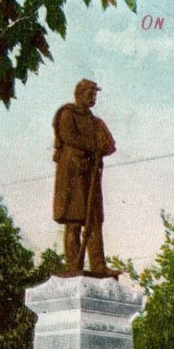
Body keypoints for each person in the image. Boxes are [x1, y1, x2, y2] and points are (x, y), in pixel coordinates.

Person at [53, 79, 121, 277]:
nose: (93, 97)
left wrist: (97, 147)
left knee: (94, 221)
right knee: (74, 221)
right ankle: (74, 265)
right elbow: (69, 137)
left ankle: (98, 265)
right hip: (73, 176)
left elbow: (109, 144)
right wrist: (94, 145)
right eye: (90, 94)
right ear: (79, 93)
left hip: (91, 175)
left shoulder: (95, 121)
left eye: (95, 94)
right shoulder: (67, 114)